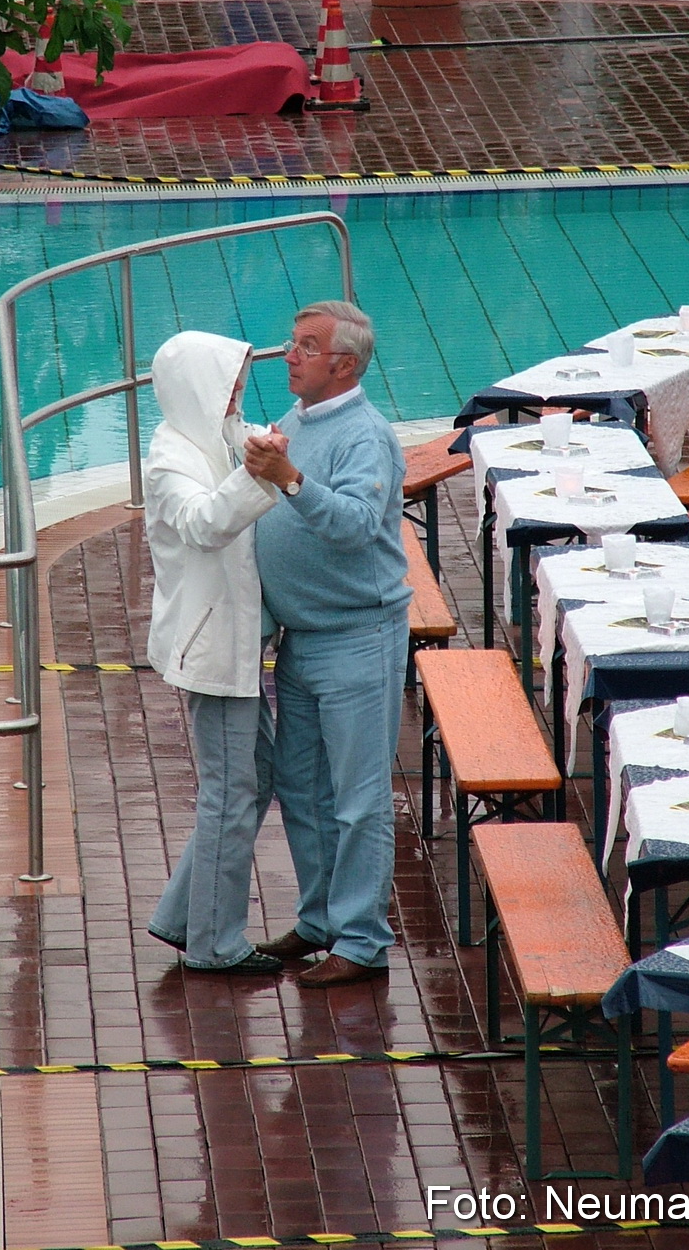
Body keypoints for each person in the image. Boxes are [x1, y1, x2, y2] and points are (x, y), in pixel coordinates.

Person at [242, 300, 410, 988]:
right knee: (301, 787)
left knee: (359, 795)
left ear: (342, 364)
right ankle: (319, 919)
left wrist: (288, 480)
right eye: (291, 342)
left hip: (356, 637)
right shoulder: (299, 423)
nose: (289, 354)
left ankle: (362, 940)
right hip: (302, 638)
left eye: (305, 346)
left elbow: (353, 525)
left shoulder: (363, 436)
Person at [144, 330, 284, 976]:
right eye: (226, 381)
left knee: (255, 772)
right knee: (231, 789)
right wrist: (258, 474)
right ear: (197, 387)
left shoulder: (220, 435)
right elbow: (203, 521)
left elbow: (261, 443)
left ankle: (183, 914)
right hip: (212, 645)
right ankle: (215, 943)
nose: (236, 393)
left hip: (238, 640)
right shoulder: (170, 461)